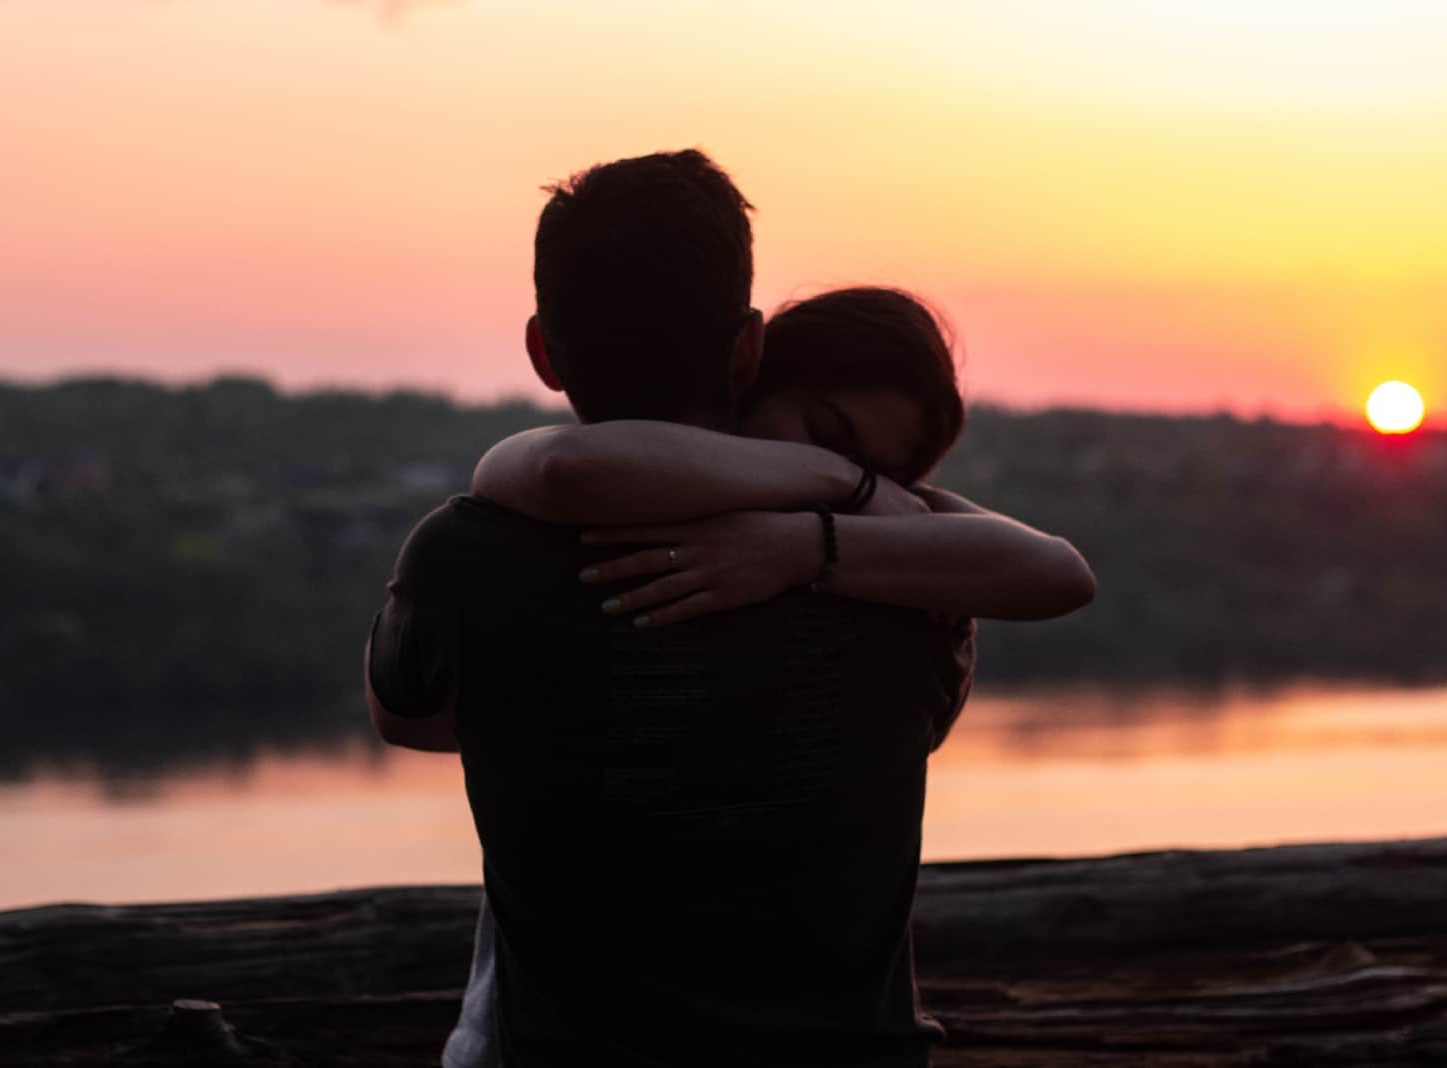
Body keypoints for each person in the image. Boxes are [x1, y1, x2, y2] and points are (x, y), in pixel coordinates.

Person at [366, 148, 1080, 1067]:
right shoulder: (913, 587)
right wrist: (850, 496)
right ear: (748, 349)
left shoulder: (467, 557)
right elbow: (1050, 574)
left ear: (544, 351)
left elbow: (409, 718)